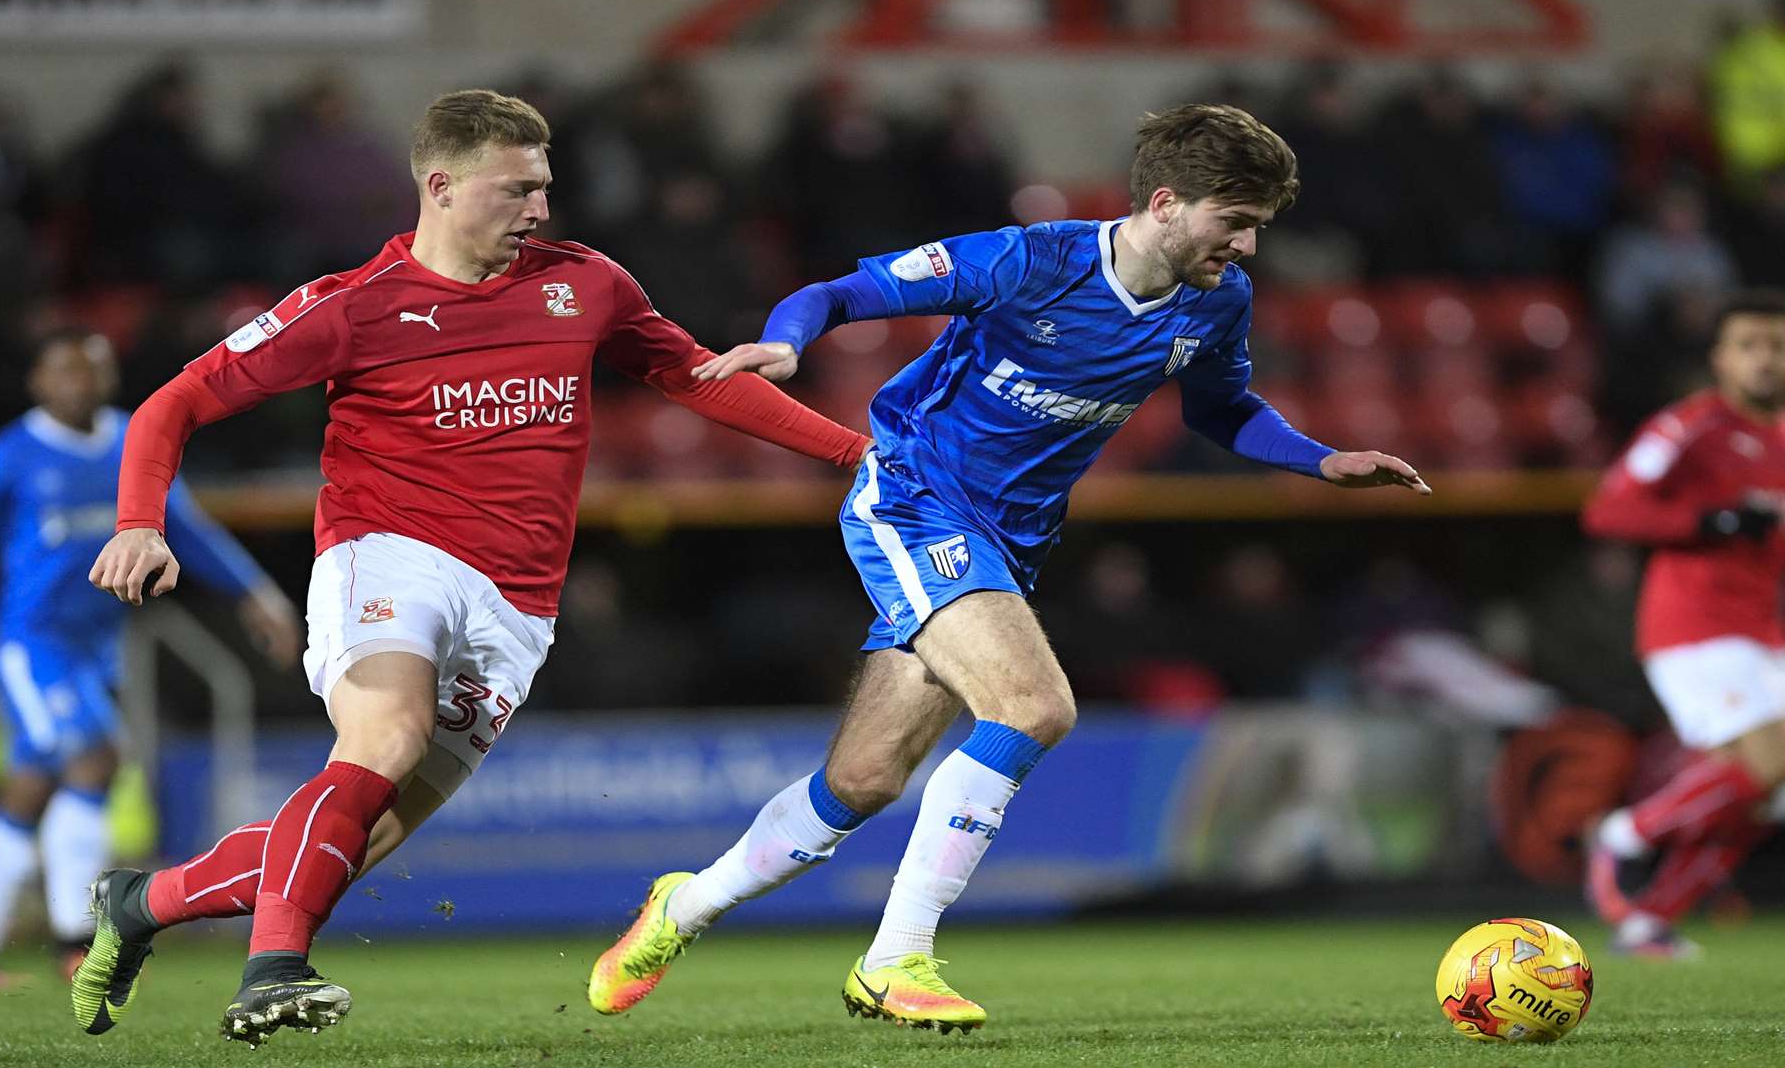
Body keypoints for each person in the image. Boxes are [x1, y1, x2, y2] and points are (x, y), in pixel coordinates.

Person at [588, 103, 1429, 1032]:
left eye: (1258, 227)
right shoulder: (1029, 261)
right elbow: (841, 293)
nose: (1249, 248)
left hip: (1010, 541)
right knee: (1033, 707)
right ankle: (896, 959)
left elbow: (1220, 409)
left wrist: (1322, 460)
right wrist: (787, 341)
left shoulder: (1217, 297)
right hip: (914, 497)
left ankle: (683, 907)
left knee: (863, 781)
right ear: (1166, 203)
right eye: (1235, 222)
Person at [76, 90, 868, 1045]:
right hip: (390, 554)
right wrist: (138, 522)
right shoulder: (351, 307)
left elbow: (696, 380)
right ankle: (272, 970)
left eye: (545, 188)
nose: (540, 209)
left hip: (518, 604)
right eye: (519, 190)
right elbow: (174, 401)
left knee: (355, 840)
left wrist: (857, 456)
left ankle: (141, 903)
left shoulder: (587, 284)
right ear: (442, 186)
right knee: (387, 734)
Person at [0, 328, 300, 989]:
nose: (79, 384)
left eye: (93, 371)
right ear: (38, 382)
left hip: (99, 647)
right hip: (30, 645)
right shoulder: (3, 459)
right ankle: (75, 939)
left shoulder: (131, 441)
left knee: (33, 783)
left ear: (110, 379)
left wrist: (256, 593)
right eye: (65, 371)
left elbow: (189, 528)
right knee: (94, 757)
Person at [1581, 290, 1785, 958]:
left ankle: (1648, 922)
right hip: (1694, 627)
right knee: (1769, 762)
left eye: (1777, 346)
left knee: (1758, 797)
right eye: (1749, 345)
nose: (1765, 360)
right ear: (1720, 358)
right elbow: (1608, 511)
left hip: (1763, 631)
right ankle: (1625, 834)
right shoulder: (1687, 427)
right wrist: (1709, 522)